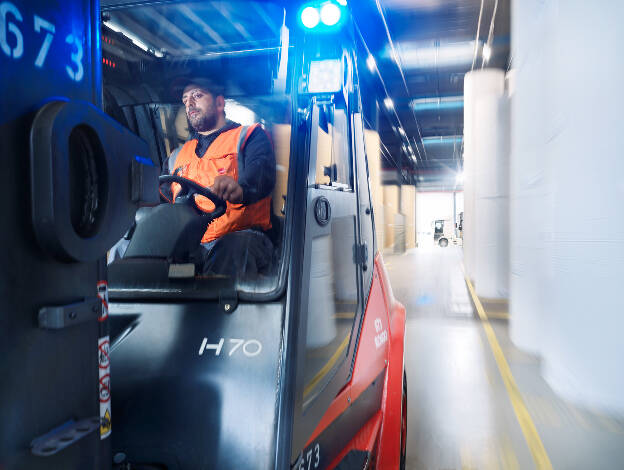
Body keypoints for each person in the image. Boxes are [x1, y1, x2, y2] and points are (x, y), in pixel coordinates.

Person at [164, 78, 276, 279]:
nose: (189, 104)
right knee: (130, 244)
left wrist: (241, 189)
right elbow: (161, 197)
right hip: (191, 245)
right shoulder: (176, 156)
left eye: (197, 96)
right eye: (185, 99)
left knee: (231, 250)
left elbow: (262, 175)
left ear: (219, 103)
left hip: (243, 238)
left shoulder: (249, 137)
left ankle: (215, 310)